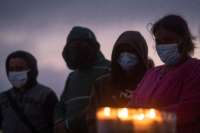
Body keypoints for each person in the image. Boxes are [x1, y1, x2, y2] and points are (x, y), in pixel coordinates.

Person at [129, 14, 200, 133]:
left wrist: (147, 116)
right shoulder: (151, 73)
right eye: (158, 41)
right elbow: (132, 105)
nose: (162, 46)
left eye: (168, 40)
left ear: (184, 40)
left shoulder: (195, 69)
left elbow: (190, 109)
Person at [86, 31, 154, 133]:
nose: (126, 55)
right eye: (121, 51)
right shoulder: (102, 85)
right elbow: (92, 119)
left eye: (131, 51)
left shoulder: (152, 84)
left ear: (141, 54)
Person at [54, 26, 110, 133]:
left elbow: (103, 107)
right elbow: (61, 106)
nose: (75, 50)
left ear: (93, 47)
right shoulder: (72, 77)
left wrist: (68, 124)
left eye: (79, 45)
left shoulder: (109, 70)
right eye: (71, 46)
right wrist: (59, 122)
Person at [0, 50, 58, 133]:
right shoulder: (3, 97)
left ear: (32, 70)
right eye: (11, 69)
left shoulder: (46, 95)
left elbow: (55, 127)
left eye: (20, 69)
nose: (15, 73)